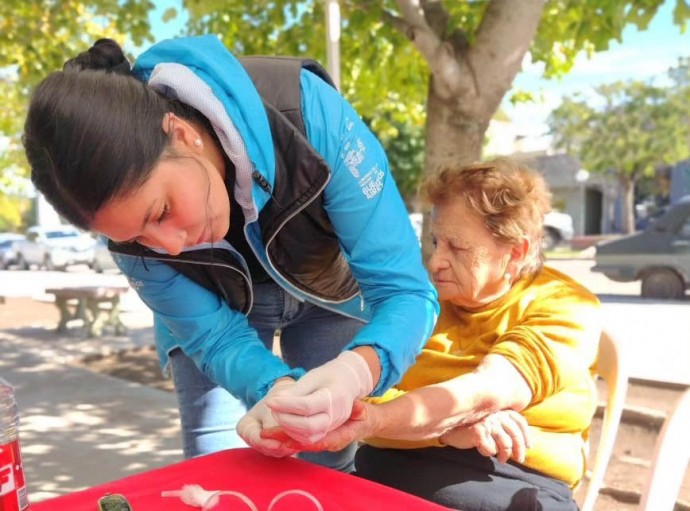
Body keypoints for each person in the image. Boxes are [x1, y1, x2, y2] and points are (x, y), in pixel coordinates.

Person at [22, 35, 439, 472]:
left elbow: (405, 292)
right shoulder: (126, 231)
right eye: (137, 239)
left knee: (326, 459)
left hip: (328, 295)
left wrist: (357, 369)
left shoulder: (306, 113)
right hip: (220, 314)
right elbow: (213, 337)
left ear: (181, 135)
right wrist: (271, 388)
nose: (171, 247)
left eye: (162, 211)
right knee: (214, 471)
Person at [269, 158, 602, 510]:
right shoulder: (421, 307)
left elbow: (490, 390)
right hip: (391, 473)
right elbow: (366, 395)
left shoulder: (566, 304)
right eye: (435, 242)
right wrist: (451, 431)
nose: (435, 262)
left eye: (456, 248)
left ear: (514, 253)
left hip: (513, 481)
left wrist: (392, 419)